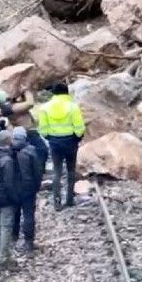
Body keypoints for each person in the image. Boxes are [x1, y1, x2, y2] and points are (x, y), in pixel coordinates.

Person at [36, 82, 86, 210]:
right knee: (70, 171)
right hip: (71, 141)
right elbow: (79, 126)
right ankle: (69, 199)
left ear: (54, 93)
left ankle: (57, 202)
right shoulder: (73, 107)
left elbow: (42, 129)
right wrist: (77, 137)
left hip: (55, 142)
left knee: (57, 172)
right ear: (66, 92)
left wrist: (50, 137)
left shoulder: (45, 107)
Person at [0, 130, 22, 264]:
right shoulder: (7, 160)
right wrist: (15, 198)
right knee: (6, 227)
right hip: (6, 198)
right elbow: (9, 183)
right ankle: (3, 257)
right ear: (9, 141)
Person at [11, 126, 44, 254]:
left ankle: (13, 237)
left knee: (15, 213)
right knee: (29, 215)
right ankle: (28, 243)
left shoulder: (9, 150)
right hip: (28, 188)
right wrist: (37, 186)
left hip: (14, 188)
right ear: (25, 137)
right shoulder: (31, 151)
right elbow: (38, 171)